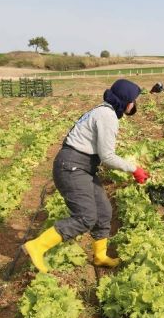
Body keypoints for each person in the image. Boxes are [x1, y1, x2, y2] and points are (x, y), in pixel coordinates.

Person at [23, 79, 150, 272]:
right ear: (125, 101)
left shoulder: (103, 110)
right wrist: (134, 169)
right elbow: (107, 157)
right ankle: (37, 246)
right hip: (72, 167)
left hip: (80, 166)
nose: (134, 104)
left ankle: (100, 256)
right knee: (85, 217)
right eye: (133, 100)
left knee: (104, 211)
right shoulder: (107, 116)